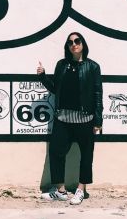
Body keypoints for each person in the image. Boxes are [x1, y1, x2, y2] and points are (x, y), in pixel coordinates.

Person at [36, 32, 103, 205]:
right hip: (62, 118)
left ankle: (81, 190)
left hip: (85, 120)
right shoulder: (61, 65)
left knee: (86, 155)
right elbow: (55, 88)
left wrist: (98, 121)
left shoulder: (93, 67)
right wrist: (43, 76)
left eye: (77, 41)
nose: (74, 44)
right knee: (56, 152)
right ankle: (61, 190)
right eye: (70, 42)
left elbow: (98, 94)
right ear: (67, 46)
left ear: (83, 44)